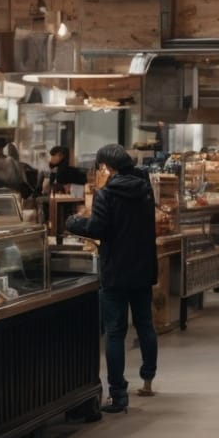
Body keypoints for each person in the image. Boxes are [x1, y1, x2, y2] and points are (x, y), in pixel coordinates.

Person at [64, 145, 161, 414]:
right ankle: (148, 378)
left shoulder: (106, 194)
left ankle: (118, 395)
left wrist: (73, 223)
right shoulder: (145, 190)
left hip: (116, 271)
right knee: (145, 325)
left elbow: (97, 228)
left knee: (115, 333)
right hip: (142, 268)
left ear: (107, 167)